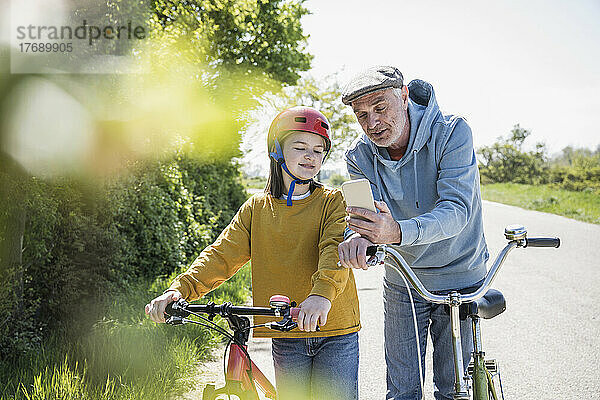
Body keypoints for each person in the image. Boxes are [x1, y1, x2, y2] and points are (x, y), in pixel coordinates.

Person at [145, 106, 360, 400]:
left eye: (318, 150)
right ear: (276, 150)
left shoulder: (333, 202)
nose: (311, 156)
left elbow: (333, 249)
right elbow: (222, 255)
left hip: (334, 327)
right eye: (300, 147)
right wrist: (180, 290)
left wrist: (322, 294)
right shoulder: (256, 209)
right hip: (285, 330)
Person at [337, 66, 489, 400]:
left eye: (380, 108)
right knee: (402, 391)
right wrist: (357, 238)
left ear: (404, 96)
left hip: (460, 275)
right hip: (403, 279)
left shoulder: (452, 132)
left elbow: (457, 210)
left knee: (453, 390)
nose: (373, 123)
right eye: (362, 115)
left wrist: (397, 232)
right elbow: (366, 218)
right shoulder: (358, 155)